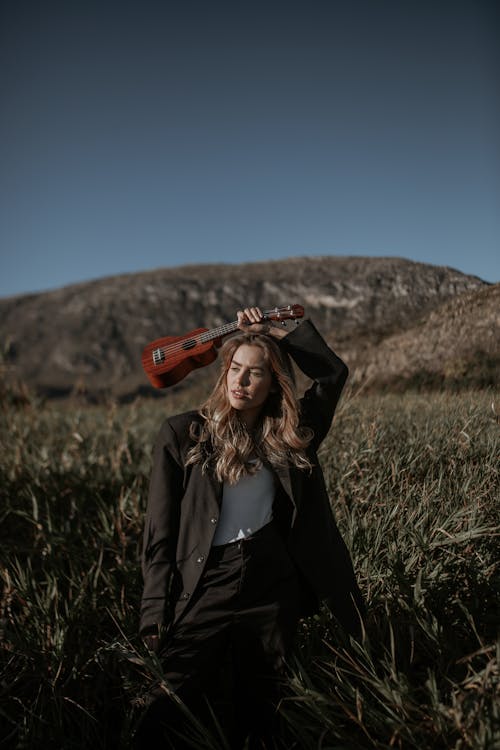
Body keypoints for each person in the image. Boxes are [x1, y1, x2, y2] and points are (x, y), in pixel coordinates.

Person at [133, 307, 364, 749]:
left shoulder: (292, 434)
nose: (241, 381)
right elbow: (159, 533)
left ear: (274, 382)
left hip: (270, 585)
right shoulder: (185, 434)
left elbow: (333, 374)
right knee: (167, 711)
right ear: (223, 376)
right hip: (205, 584)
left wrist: (273, 331)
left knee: (262, 715)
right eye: (235, 370)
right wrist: (153, 614)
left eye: (255, 373)